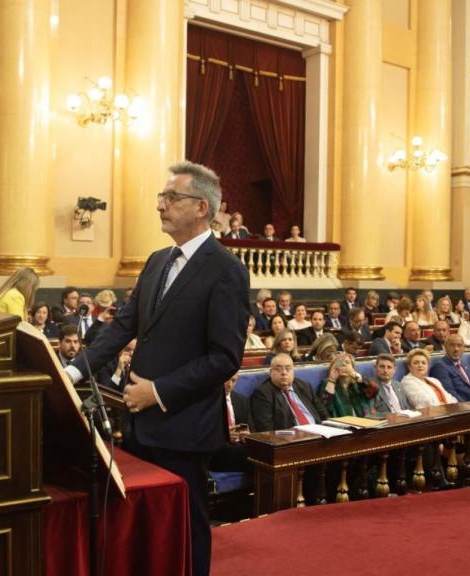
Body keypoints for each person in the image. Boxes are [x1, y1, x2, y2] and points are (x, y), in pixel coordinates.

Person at [65, 161, 248, 576]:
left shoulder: (226, 269)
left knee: (187, 528)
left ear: (202, 207)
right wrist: (74, 372)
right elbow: (124, 325)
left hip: (184, 424)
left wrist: (158, 391)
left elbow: (224, 357)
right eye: (161, 198)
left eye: (171, 198)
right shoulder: (157, 259)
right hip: (138, 421)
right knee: (146, 527)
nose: (160, 206)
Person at [250, 353, 329, 505]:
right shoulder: (263, 393)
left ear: (293, 371)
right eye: (278, 369)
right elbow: (266, 430)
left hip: (319, 436)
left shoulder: (303, 386)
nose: (284, 372)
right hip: (293, 444)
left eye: (288, 368)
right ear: (271, 372)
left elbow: (322, 413)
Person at [209, 373, 251, 474]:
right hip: (216, 449)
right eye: (226, 380)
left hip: (239, 446)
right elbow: (201, 433)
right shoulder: (208, 402)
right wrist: (224, 435)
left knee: (264, 451)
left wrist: (247, 436)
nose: (229, 385)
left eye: (233, 380)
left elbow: (251, 428)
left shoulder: (242, 400)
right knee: (255, 456)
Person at [429, 334, 470, 402]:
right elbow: (450, 394)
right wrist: (469, 407)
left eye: (459, 346)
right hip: (462, 408)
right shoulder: (440, 367)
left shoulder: (466, 365)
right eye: (452, 345)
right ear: (445, 347)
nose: (456, 349)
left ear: (463, 348)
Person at [317, 353, 368, 417]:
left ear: (353, 368)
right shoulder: (327, 383)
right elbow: (326, 407)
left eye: (347, 362)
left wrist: (355, 375)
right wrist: (332, 380)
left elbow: (374, 391)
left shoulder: (356, 384)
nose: (343, 364)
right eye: (340, 363)